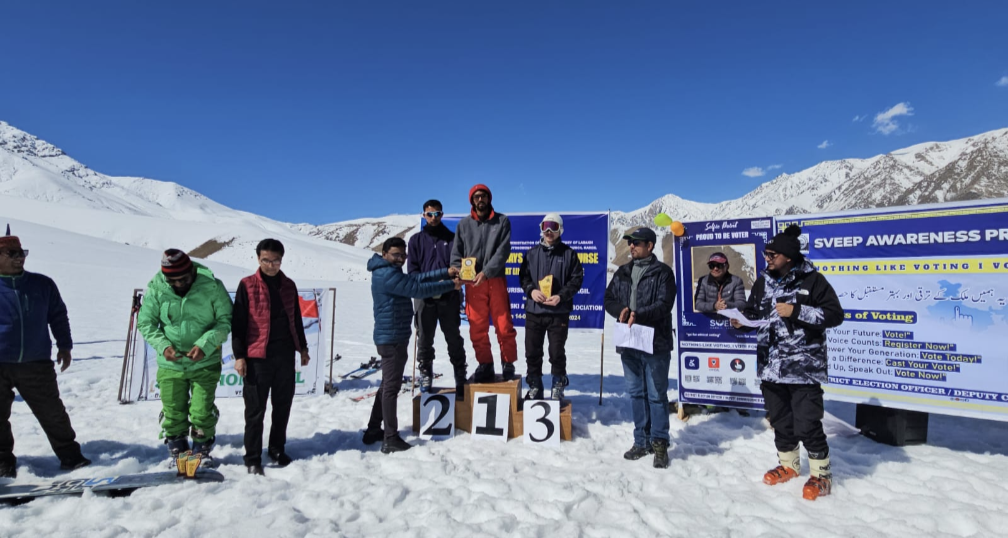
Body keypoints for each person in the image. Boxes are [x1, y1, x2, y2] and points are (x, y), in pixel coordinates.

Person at [731, 224, 843, 501]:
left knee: (807, 423)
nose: (767, 258)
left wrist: (797, 311)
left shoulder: (813, 281)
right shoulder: (763, 281)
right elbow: (755, 314)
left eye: (772, 254)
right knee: (780, 420)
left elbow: (834, 315)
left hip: (804, 368)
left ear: (789, 257)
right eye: (766, 253)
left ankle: (821, 475)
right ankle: (788, 465)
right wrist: (741, 322)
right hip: (770, 367)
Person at [0, 233, 91, 478]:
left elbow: (58, 315)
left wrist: (65, 345)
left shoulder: (42, 284)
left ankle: (71, 456)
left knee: (52, 412)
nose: (20, 258)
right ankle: (2, 463)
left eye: (22, 253)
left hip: (36, 362)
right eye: (13, 254)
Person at [364, 237, 461, 454]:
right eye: (396, 255)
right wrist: (451, 285)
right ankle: (390, 437)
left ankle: (373, 429)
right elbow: (417, 289)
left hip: (393, 336)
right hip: (392, 338)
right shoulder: (387, 275)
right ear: (384, 254)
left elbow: (416, 278)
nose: (400, 259)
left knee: (387, 384)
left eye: (403, 255)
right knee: (391, 388)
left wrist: (444, 272)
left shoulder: (387, 271)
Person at [137, 249, 233, 463]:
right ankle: (177, 449)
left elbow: (225, 320)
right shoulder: (157, 288)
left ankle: (201, 448)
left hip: (205, 362)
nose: (179, 284)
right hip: (171, 364)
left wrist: (205, 345)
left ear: (191, 270)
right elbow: (146, 322)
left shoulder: (212, 287)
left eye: (183, 279)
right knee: (173, 409)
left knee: (201, 410)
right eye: (173, 280)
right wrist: (162, 346)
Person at [231, 239, 309, 475]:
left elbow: (295, 318)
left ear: (281, 260)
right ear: (258, 259)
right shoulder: (247, 285)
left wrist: (302, 348)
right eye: (266, 260)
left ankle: (277, 448)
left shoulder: (288, 285)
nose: (271, 265)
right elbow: (238, 323)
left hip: (284, 354)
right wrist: (239, 356)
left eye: (275, 261)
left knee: (282, 405)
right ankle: (252, 457)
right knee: (255, 410)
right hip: (257, 357)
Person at [604, 227, 677, 469]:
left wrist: (639, 314)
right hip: (629, 341)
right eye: (630, 243)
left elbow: (664, 304)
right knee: (636, 393)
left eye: (636, 243)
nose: (631, 246)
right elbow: (609, 299)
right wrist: (620, 311)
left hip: (655, 342)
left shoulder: (663, 273)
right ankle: (641, 441)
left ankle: (659, 444)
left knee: (656, 396)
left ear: (650, 246)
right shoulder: (623, 272)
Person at [450, 184, 517, 383]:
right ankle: (485, 364)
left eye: (484, 196)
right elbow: (456, 253)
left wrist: (487, 272)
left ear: (489, 199)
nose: (480, 200)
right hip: (472, 284)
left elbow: (503, 251)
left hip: (494, 280)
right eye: (477, 197)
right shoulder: (463, 225)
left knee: (504, 325)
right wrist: (457, 272)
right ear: (472, 200)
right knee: (477, 326)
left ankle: (508, 362)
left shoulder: (502, 221)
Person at [519, 213, 583, 400]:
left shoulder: (569, 254)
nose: (548, 231)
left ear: (560, 229)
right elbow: (524, 277)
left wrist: (561, 297)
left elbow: (576, 279)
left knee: (556, 352)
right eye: (545, 226)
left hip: (558, 312)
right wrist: (531, 291)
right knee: (532, 351)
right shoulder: (531, 253)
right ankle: (535, 386)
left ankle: (558, 384)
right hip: (534, 311)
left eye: (553, 226)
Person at [407, 199, 467, 397]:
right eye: (429, 214)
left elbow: (460, 268)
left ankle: (460, 373)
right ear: (423, 215)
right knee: (424, 338)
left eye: (437, 214)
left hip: (449, 296)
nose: (433, 218)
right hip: (424, 298)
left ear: (442, 215)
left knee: (453, 338)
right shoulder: (415, 240)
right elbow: (413, 273)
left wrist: (457, 279)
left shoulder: (452, 239)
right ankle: (425, 372)